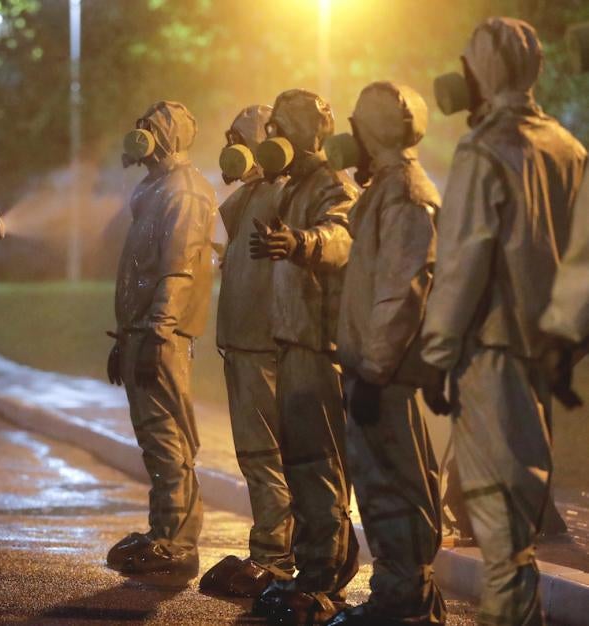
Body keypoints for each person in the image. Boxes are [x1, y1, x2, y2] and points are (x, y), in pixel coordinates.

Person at [421, 17, 587, 625]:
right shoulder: (568, 148)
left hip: (488, 354)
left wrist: (436, 353)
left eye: (468, 64)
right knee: (515, 504)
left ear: (485, 70)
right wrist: (567, 344)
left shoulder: (484, 147)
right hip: (540, 356)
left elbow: (464, 258)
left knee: (498, 527)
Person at [326, 81, 445, 625]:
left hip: (384, 373)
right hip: (373, 369)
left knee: (394, 483)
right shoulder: (387, 190)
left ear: (371, 130)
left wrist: (373, 372)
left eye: (355, 126)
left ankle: (404, 603)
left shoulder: (405, 195)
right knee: (381, 484)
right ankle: (404, 597)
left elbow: (401, 291)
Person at [246, 89, 359, 625]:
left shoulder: (334, 185)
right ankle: (313, 568)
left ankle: (325, 577)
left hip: (319, 350)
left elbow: (341, 239)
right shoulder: (292, 187)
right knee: (299, 465)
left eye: (284, 127)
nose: (276, 140)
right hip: (291, 345)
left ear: (311, 131)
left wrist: (299, 243)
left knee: (320, 467)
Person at [106, 100, 217, 576]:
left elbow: (177, 271)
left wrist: (155, 334)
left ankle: (177, 540)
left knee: (168, 437)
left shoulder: (185, 193)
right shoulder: (157, 188)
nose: (140, 135)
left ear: (167, 134)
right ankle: (163, 531)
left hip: (161, 335)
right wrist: (125, 339)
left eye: (149, 128)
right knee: (154, 437)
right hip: (143, 332)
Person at [198, 104, 295, 598]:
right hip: (244, 344)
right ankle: (273, 549)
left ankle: (274, 557)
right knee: (260, 454)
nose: (230, 147)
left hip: (261, 345)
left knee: (265, 454)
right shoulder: (253, 196)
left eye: (240, 138)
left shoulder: (282, 196)